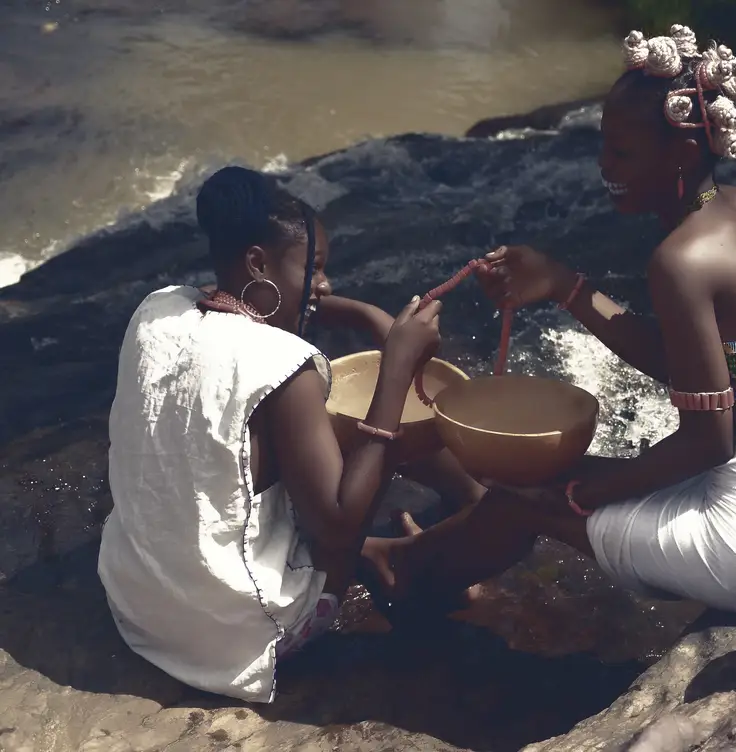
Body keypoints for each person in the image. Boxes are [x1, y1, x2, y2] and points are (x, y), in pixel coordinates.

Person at [365, 27, 736, 617]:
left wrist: (585, 494)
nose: (604, 166)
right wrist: (565, 286)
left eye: (622, 153)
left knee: (523, 493)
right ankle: (422, 558)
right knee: (551, 478)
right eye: (603, 146)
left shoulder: (681, 259)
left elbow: (708, 441)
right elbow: (686, 364)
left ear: (682, 154)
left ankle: (400, 573)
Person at [97, 165, 484, 703]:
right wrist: (395, 368)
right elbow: (338, 529)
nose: (324, 285)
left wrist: (359, 311)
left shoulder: (159, 308)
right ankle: (417, 550)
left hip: (136, 605)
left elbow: (256, 305)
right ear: (257, 261)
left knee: (298, 437)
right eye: (317, 268)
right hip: (236, 641)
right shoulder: (284, 363)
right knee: (369, 431)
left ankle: (400, 540)